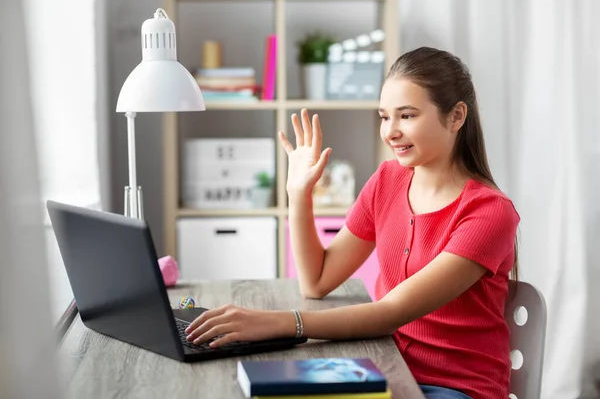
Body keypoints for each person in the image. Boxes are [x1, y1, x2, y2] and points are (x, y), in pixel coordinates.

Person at [184, 46, 520, 399]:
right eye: (384, 116)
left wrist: (280, 323)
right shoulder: (387, 180)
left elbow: (391, 313)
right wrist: (298, 194)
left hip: (454, 388)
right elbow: (317, 281)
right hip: (384, 367)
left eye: (406, 116)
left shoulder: (489, 213)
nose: (390, 131)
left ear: (456, 116)